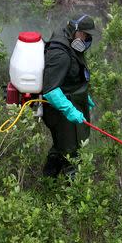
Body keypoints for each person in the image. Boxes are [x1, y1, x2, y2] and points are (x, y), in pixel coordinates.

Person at [41, 14, 98, 178]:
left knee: (61, 145)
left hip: (71, 99)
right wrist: (70, 110)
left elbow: (71, 74)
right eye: (85, 35)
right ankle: (72, 195)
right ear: (74, 30)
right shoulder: (61, 54)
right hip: (59, 110)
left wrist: (82, 96)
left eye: (89, 36)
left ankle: (48, 178)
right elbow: (51, 90)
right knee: (71, 152)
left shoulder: (70, 41)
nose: (87, 39)